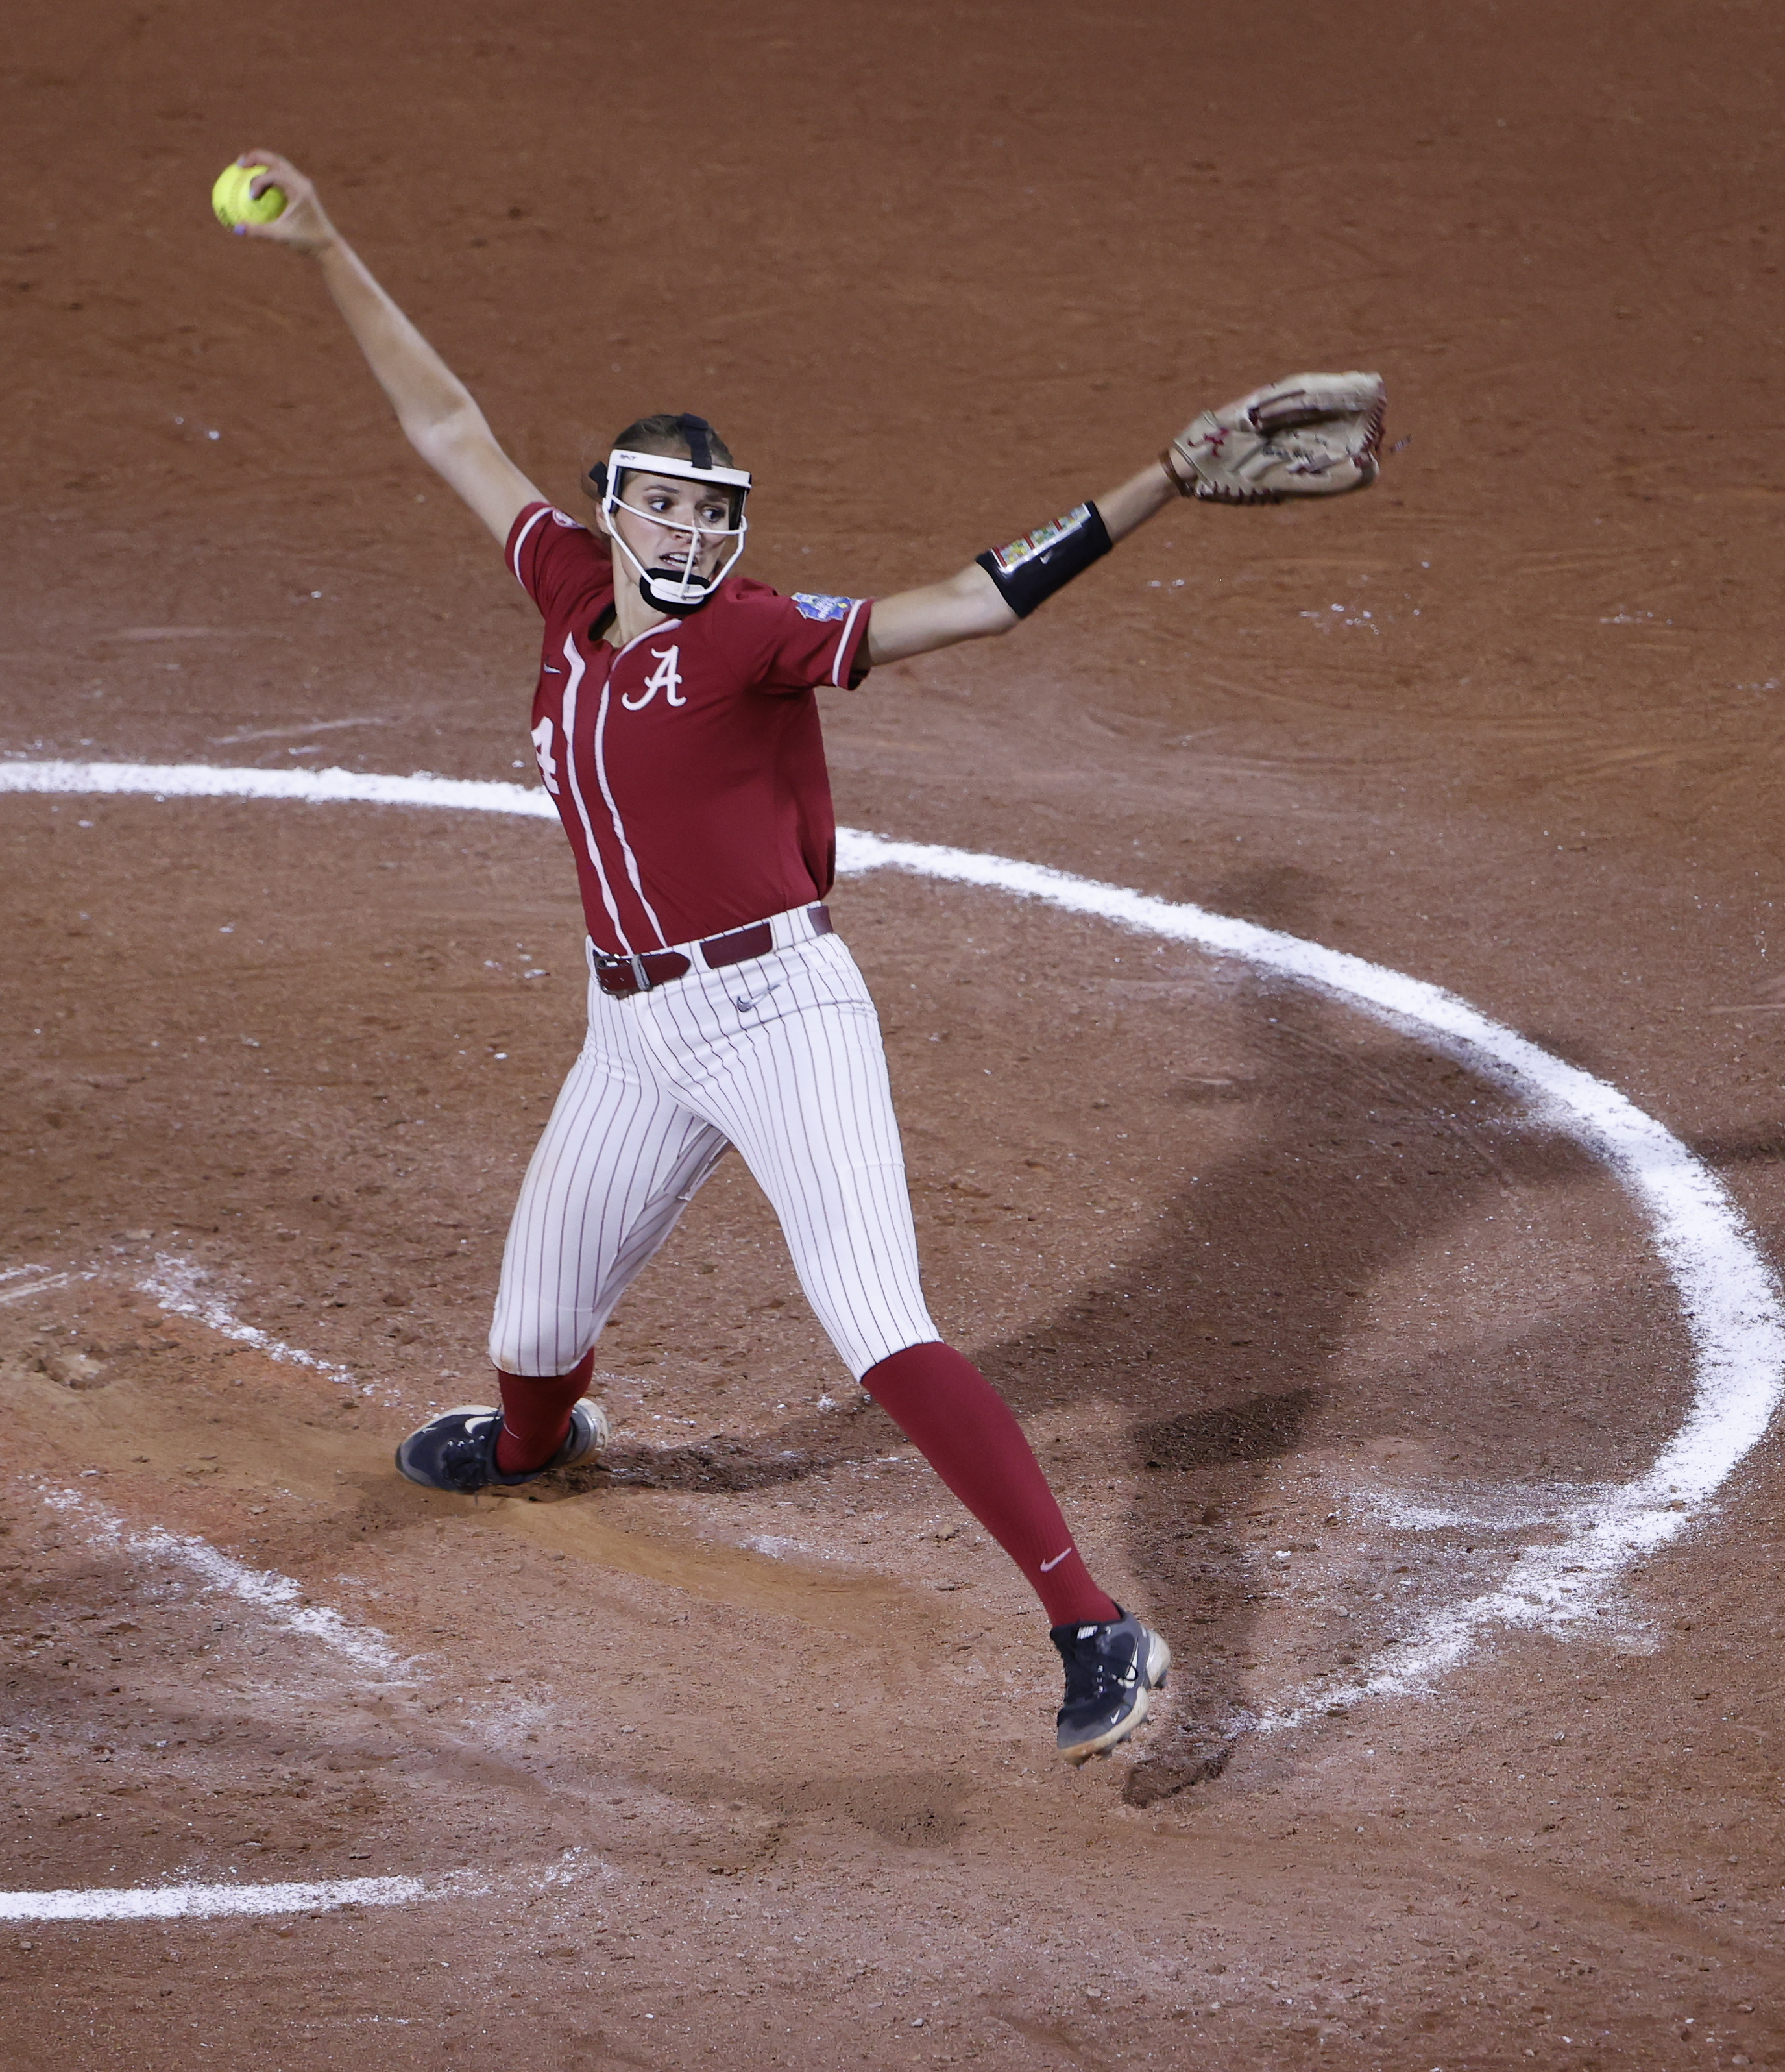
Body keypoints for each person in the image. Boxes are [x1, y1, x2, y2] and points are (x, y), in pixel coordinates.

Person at [222, 150, 1379, 1764]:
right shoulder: (567, 590)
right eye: (671, 506)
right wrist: (330, 240)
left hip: (777, 1013)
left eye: (716, 510)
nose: (694, 530)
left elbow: (967, 606)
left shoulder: (753, 634)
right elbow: (444, 426)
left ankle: (1093, 1624)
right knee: (539, 1323)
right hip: (628, 1030)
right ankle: (538, 1446)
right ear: (616, 514)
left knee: (875, 1318)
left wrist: (1156, 483)